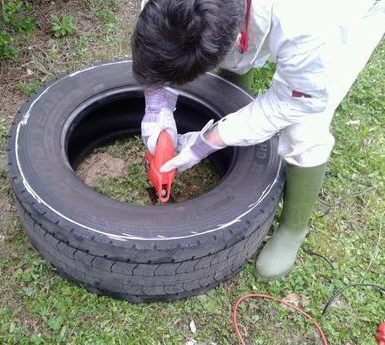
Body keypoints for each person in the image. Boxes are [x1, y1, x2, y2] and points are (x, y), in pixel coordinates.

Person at [132, 0, 385, 281]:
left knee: (305, 128)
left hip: (353, 8)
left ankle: (293, 228)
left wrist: (208, 142)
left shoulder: (310, 29)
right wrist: (158, 104)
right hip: (253, 20)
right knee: (236, 58)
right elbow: (161, 36)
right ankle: (233, 91)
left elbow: (295, 102)